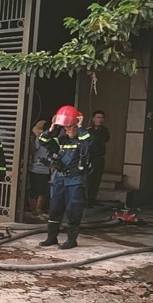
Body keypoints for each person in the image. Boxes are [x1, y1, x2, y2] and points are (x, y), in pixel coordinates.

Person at [37, 105, 92, 249]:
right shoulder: (61, 141)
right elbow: (43, 141)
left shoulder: (82, 141)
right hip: (59, 180)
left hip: (75, 181)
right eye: (67, 128)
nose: (70, 130)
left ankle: (71, 240)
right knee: (55, 210)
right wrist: (52, 128)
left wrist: (80, 127)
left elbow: (88, 143)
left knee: (73, 211)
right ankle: (51, 238)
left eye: (72, 127)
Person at [27, 119, 51, 219]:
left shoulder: (53, 140)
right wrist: (32, 140)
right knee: (35, 191)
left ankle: (39, 210)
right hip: (37, 168)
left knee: (44, 191)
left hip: (47, 168)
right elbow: (33, 151)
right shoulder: (39, 138)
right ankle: (34, 211)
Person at [85, 110, 110, 206]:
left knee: (97, 179)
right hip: (90, 156)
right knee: (89, 179)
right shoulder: (89, 130)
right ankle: (87, 199)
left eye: (102, 117)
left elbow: (106, 139)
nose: (100, 119)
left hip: (99, 156)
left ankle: (93, 198)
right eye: (98, 117)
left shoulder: (104, 130)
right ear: (93, 119)